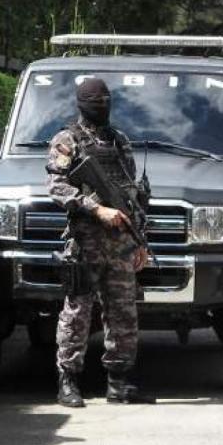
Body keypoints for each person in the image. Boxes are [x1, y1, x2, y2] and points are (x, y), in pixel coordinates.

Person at [46, 78, 153, 407]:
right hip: (85, 241)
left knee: (123, 312)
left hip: (121, 243)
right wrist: (96, 209)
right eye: (96, 102)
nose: (102, 106)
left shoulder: (119, 141)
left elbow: (131, 196)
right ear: (82, 104)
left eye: (106, 101)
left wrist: (141, 243)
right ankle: (68, 381)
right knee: (78, 311)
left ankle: (118, 383)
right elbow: (56, 187)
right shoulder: (67, 140)